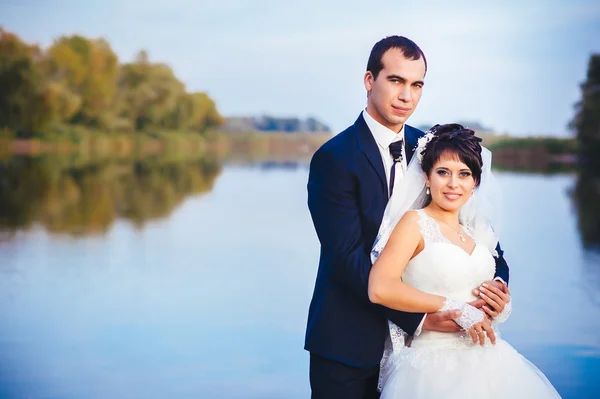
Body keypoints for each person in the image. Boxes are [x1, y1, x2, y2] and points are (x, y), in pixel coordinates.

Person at [305, 35, 510, 399]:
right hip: (350, 345)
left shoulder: (434, 149)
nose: (407, 96)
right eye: (396, 81)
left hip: (432, 358)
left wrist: (496, 286)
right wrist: (421, 319)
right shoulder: (333, 159)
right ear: (370, 81)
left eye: (416, 85)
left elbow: (481, 235)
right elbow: (347, 259)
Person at [368, 123, 561, 398]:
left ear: (476, 182)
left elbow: (486, 283)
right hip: (432, 367)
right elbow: (380, 288)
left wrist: (499, 303)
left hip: (490, 361)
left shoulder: (477, 231)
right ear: (426, 176)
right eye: (443, 172)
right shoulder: (414, 223)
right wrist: (455, 307)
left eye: (464, 174)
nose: (453, 184)